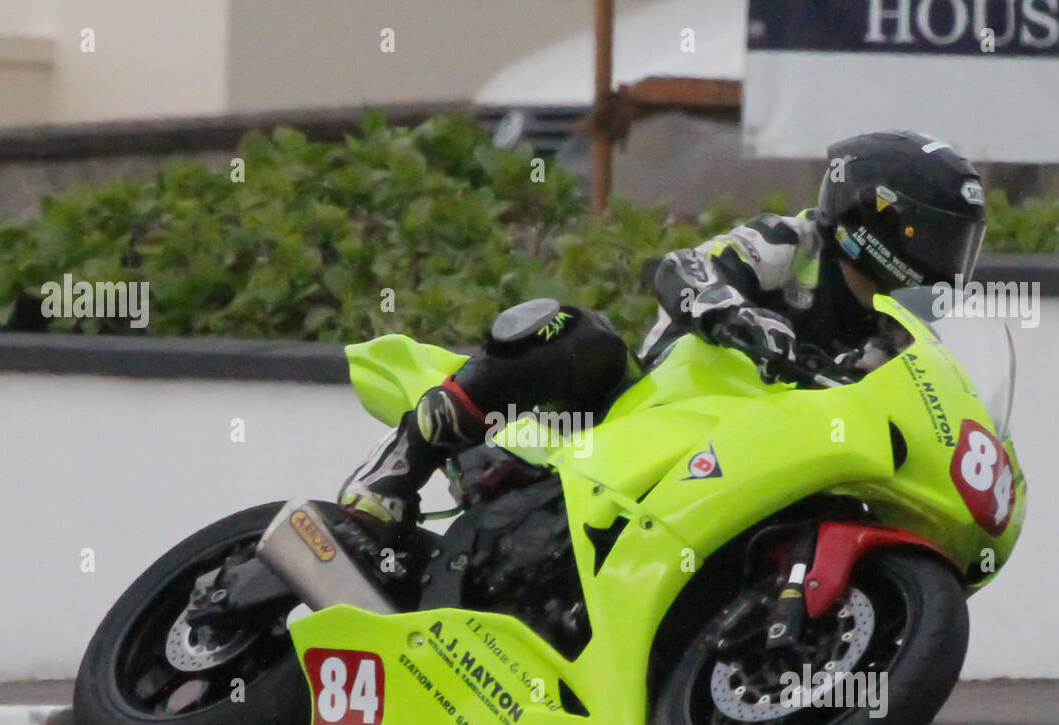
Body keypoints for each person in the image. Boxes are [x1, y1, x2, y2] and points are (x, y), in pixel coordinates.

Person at [339, 129, 988, 540]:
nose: (942, 261)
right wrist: (737, 316)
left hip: (754, 461)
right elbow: (684, 268)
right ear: (872, 216)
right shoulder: (795, 241)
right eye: (931, 238)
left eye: (956, 247)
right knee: (575, 332)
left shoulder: (898, 339)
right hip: (646, 405)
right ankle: (396, 469)